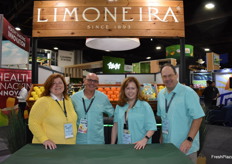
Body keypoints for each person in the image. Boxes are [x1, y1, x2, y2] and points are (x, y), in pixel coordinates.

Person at [157, 63, 205, 164]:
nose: (167, 79)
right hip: (168, 146)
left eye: (170, 75)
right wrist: (162, 134)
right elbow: (164, 118)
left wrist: (189, 140)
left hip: (185, 148)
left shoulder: (188, 93)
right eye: (164, 76)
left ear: (176, 75)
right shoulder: (161, 94)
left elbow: (198, 118)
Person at [29, 74, 77, 150]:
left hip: (69, 145)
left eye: (60, 82)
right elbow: (33, 123)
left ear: (64, 85)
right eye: (53, 83)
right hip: (50, 147)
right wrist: (44, 139)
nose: (57, 85)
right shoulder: (43, 102)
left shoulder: (68, 100)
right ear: (48, 86)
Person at [111, 77, 157, 150]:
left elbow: (152, 128)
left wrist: (144, 140)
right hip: (122, 147)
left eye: (133, 88)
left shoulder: (145, 106)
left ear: (137, 90)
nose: (130, 91)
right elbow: (115, 126)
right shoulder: (119, 106)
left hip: (140, 147)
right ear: (124, 90)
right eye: (127, 88)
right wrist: (112, 145)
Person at [71, 73, 114, 144]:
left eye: (95, 81)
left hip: (97, 141)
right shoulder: (74, 98)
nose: (92, 83)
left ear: (98, 84)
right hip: (78, 140)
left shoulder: (103, 98)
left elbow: (112, 114)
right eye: (89, 80)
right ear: (84, 81)